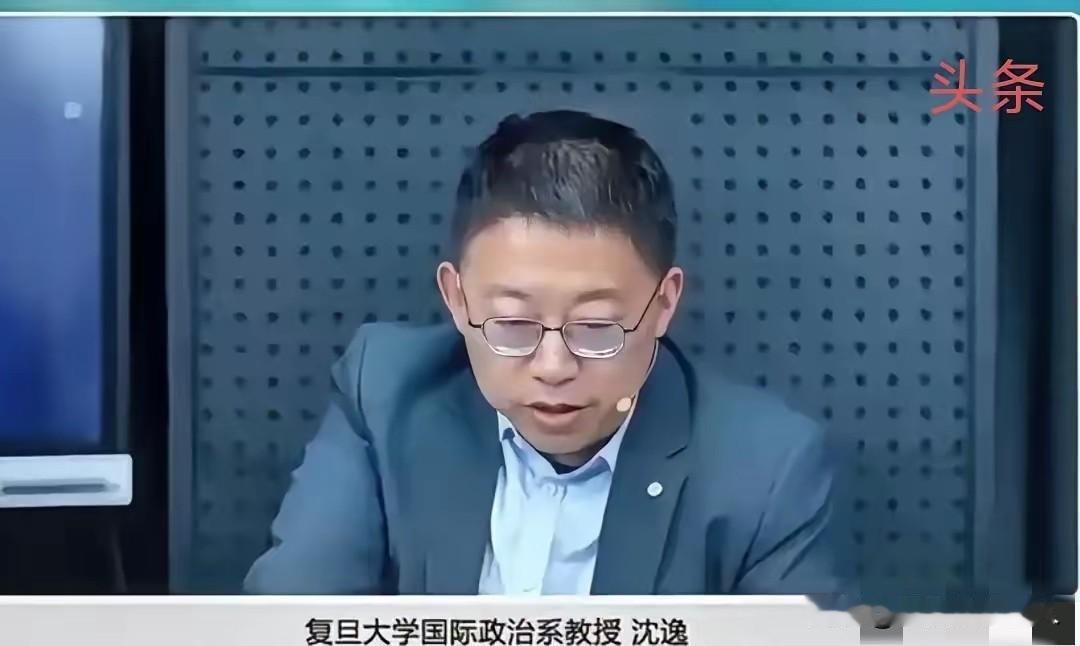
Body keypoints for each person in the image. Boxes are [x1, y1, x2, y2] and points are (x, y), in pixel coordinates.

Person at [244, 110, 856, 605]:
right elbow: (291, 620)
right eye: (513, 325)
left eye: (596, 327)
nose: (554, 366)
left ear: (663, 303)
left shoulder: (765, 469)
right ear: (456, 299)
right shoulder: (384, 394)